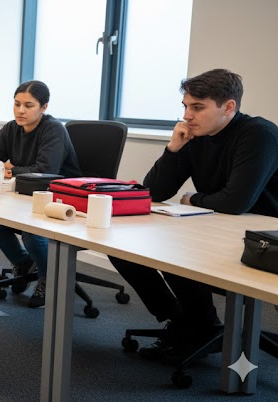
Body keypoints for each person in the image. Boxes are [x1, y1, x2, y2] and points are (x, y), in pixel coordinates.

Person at [109, 68, 278, 362]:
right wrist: (174, 148)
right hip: (218, 226)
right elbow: (154, 191)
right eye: (186, 106)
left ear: (228, 107)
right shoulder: (196, 136)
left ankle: (198, 326)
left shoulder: (258, 135)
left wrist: (191, 198)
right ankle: (186, 321)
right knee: (122, 247)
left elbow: (237, 201)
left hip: (262, 239)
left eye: (197, 107)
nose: (187, 116)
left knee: (179, 251)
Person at [0, 80, 82, 308]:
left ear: (44, 107)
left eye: (28, 105)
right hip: (23, 194)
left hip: (57, 198)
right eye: (16, 104)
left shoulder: (53, 129)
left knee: (32, 234)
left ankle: (48, 277)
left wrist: (9, 170)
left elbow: (45, 172)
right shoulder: (11, 128)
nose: (21, 110)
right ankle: (23, 262)